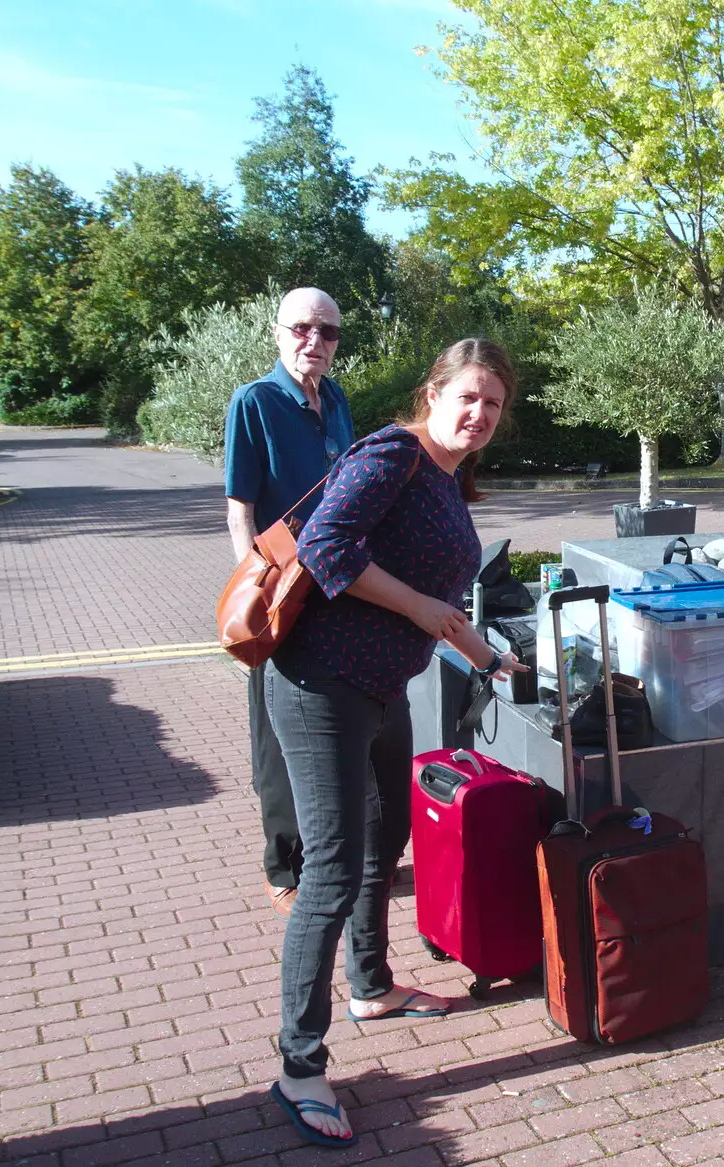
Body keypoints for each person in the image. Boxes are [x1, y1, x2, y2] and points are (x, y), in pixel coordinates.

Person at [265, 338, 527, 1149]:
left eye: (493, 403)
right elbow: (326, 546)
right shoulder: (393, 453)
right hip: (321, 685)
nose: (479, 413)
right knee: (334, 869)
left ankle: (372, 985)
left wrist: (497, 661)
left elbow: (440, 605)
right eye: (468, 396)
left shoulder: (448, 480)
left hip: (381, 688)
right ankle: (298, 1064)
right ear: (434, 391)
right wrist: (416, 607)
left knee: (389, 838)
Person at [225, 287, 357, 918]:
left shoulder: (335, 399)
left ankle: (333, 849)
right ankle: (283, 861)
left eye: (328, 332)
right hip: (279, 583)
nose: (316, 342)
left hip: (332, 579)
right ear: (278, 332)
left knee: (330, 719)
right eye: (303, 328)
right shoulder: (255, 401)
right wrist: (256, 587)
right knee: (274, 731)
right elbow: (239, 507)